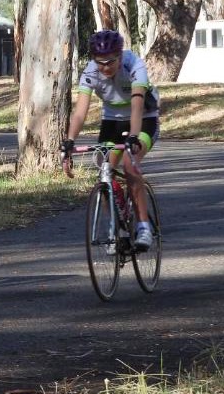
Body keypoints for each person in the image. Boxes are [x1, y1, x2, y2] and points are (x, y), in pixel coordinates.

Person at [61, 30, 160, 251]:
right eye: (100, 63)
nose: (105, 67)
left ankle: (143, 226)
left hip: (143, 118)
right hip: (112, 121)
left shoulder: (134, 65)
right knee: (104, 169)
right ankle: (117, 226)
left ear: (120, 56)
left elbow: (136, 105)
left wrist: (133, 137)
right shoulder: (90, 72)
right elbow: (79, 113)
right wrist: (69, 141)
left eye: (110, 62)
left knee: (129, 163)